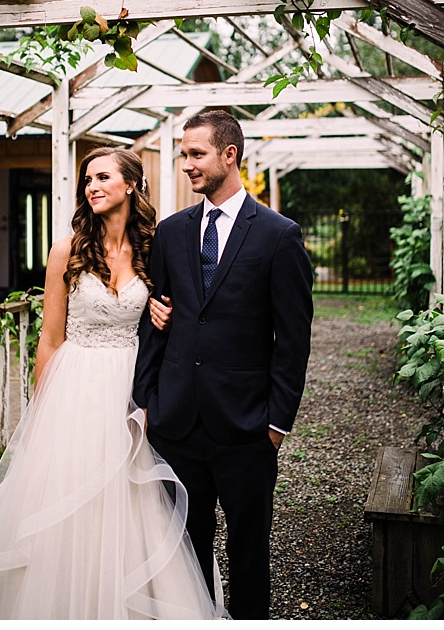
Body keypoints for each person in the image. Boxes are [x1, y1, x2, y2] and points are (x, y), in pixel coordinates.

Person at [0, 147, 224, 619]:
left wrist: (165, 317)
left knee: (131, 495)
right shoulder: (67, 250)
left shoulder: (156, 247)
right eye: (87, 180)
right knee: (68, 493)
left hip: (134, 384)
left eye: (103, 177)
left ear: (131, 185)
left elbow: (180, 310)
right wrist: (43, 408)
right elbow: (49, 337)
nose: (92, 186)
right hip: (77, 385)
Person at [134, 110, 313, 619]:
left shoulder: (279, 235)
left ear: (229, 155)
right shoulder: (170, 232)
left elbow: (293, 340)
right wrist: (147, 401)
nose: (186, 164)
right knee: (183, 556)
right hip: (177, 423)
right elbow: (156, 322)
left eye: (196, 154)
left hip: (247, 427)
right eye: (183, 155)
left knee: (249, 552)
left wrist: (276, 424)